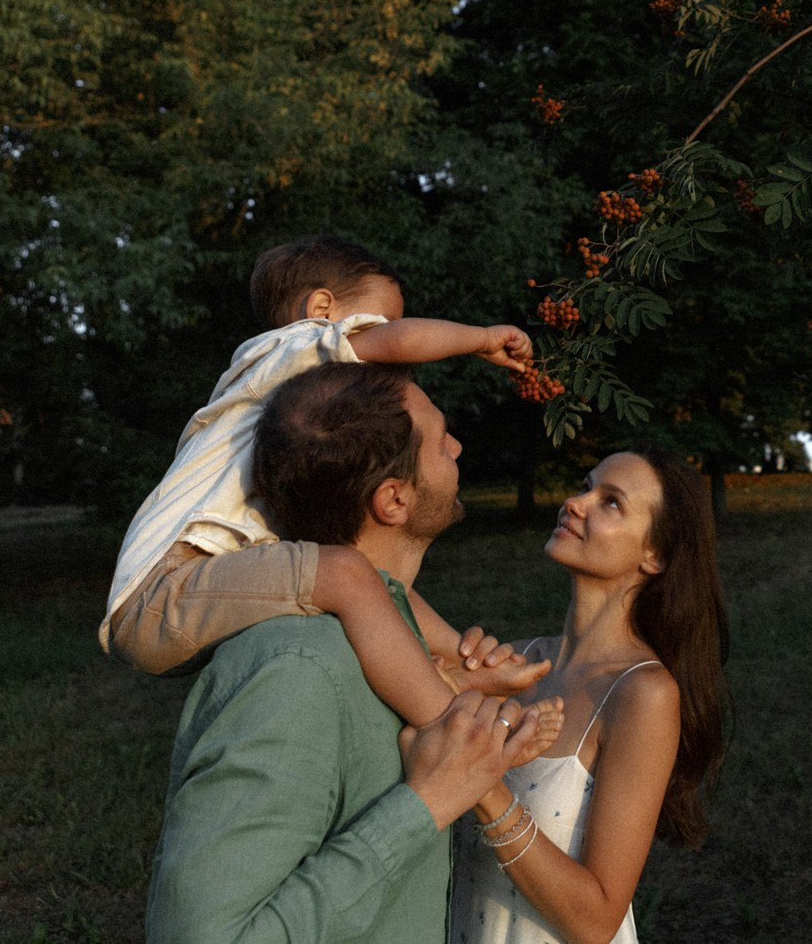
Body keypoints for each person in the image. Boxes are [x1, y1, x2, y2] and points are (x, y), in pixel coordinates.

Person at [146, 360, 565, 943]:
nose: (458, 445)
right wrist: (428, 801)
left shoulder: (398, 647)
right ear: (393, 499)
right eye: (441, 438)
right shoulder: (298, 668)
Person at [102, 235, 541, 727]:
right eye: (380, 320)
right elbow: (398, 343)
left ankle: (461, 665)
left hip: (190, 588)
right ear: (321, 308)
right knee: (346, 576)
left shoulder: (276, 383)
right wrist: (482, 339)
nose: (386, 337)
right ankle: (453, 729)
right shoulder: (291, 344)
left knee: (360, 572)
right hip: (163, 591)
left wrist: (465, 652)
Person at [451, 449, 730, 944]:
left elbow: (596, 919)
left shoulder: (642, 694)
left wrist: (484, 788)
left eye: (611, 503)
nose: (575, 503)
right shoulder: (514, 664)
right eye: (585, 486)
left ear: (655, 554)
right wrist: (453, 669)